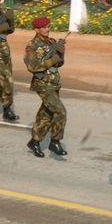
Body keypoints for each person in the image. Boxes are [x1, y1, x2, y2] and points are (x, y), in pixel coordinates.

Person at [23, 17, 68, 158]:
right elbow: (33, 67)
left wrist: (61, 52)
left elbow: (59, 64)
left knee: (46, 114)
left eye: (48, 26)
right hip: (42, 84)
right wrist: (53, 59)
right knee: (60, 111)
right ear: (36, 30)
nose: (47, 29)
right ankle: (55, 142)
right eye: (44, 27)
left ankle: (35, 141)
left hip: (53, 83)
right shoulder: (32, 46)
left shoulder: (52, 42)